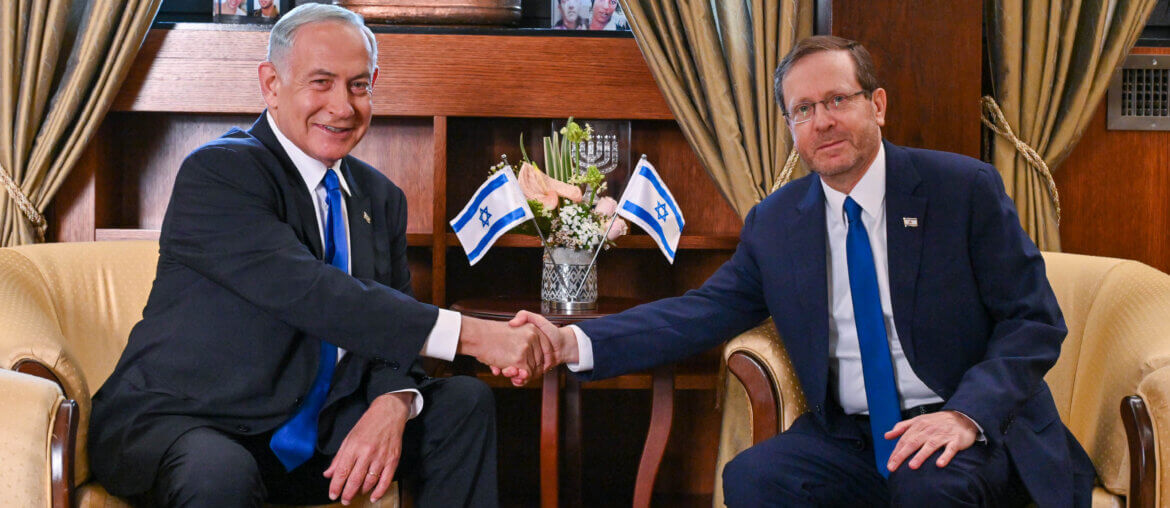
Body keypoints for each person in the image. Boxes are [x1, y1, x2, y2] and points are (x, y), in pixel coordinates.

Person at [513, 35, 1095, 506]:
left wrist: (967, 415)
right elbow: (698, 314)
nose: (823, 122)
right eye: (804, 110)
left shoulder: (961, 190)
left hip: (965, 423)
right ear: (791, 127)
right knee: (753, 479)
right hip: (849, 435)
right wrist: (570, 342)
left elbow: (1033, 321)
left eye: (839, 100)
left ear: (878, 105)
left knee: (927, 488)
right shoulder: (776, 223)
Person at [89, 4, 554, 507]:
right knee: (220, 470)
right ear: (270, 84)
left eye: (359, 86)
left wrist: (393, 402)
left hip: (318, 435)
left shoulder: (381, 198)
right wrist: (474, 335)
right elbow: (316, 293)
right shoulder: (220, 173)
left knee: (463, 404)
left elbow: (386, 330)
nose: (343, 106)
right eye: (321, 82)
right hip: (196, 420)